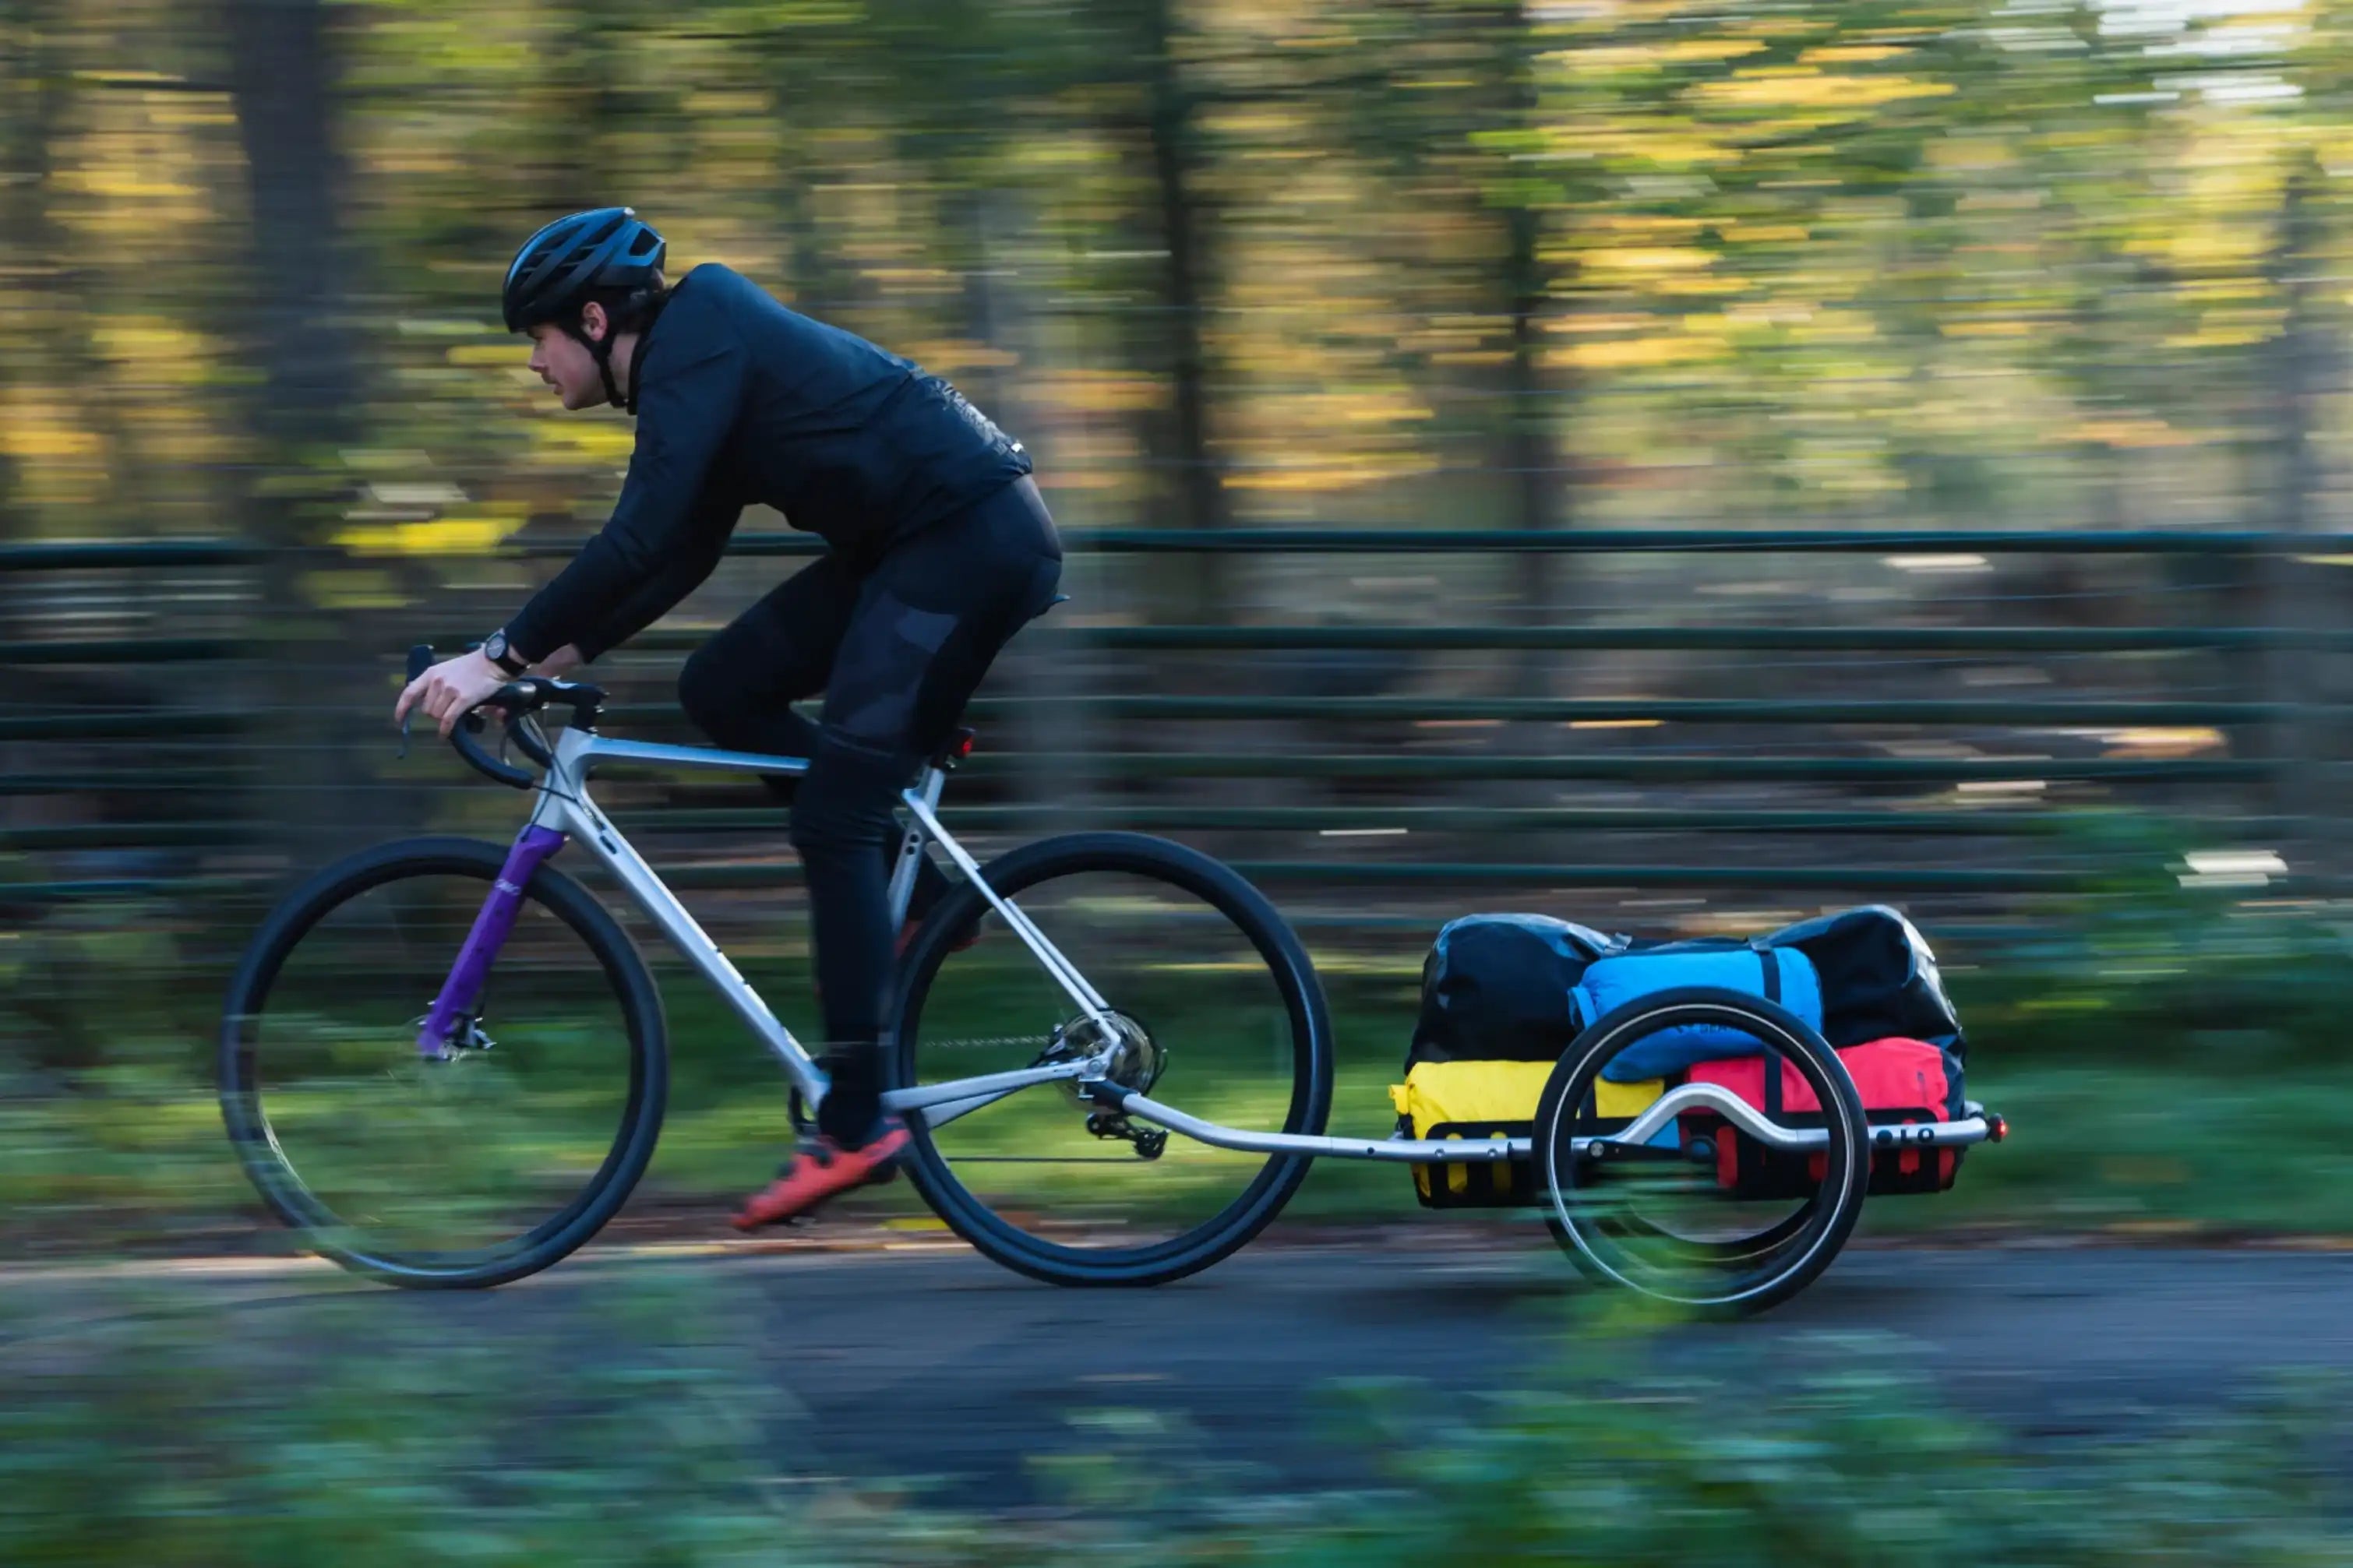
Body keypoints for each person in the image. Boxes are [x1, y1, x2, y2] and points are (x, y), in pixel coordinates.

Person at [395, 207, 1063, 1227]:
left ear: (591, 318)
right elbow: (679, 553)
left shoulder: (697, 341)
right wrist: (538, 662)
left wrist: (498, 655)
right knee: (723, 688)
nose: (534, 366)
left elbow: (641, 534)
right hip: (920, 544)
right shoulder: (694, 360)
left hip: (965, 542)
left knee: (834, 817)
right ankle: (921, 894)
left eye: (536, 341)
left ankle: (855, 1122)